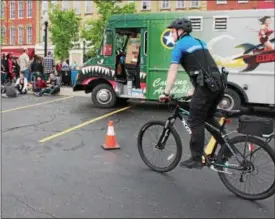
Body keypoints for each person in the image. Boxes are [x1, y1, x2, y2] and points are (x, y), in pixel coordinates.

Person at [159, 18, 226, 169]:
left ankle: (196, 159)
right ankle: (227, 147)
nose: (171, 34)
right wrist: (195, 89)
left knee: (195, 120)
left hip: (206, 88)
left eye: (172, 31)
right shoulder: (200, 42)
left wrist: (166, 92)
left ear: (180, 31)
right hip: (218, 86)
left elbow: (173, 70)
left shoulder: (179, 46)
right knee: (207, 117)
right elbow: (203, 66)